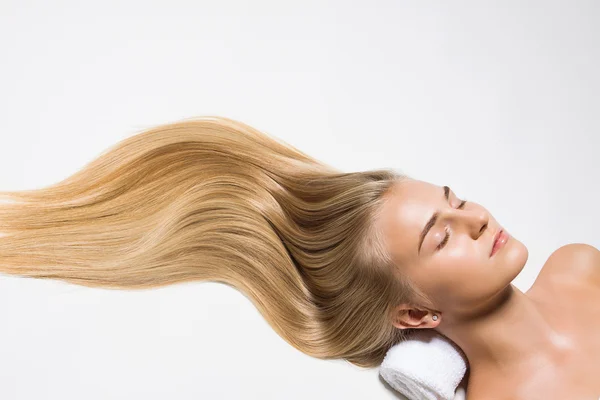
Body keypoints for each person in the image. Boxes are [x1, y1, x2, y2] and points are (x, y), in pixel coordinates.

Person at [0, 116, 597, 399]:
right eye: (441, 237)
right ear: (416, 315)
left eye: (457, 200)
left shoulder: (579, 266)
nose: (476, 220)